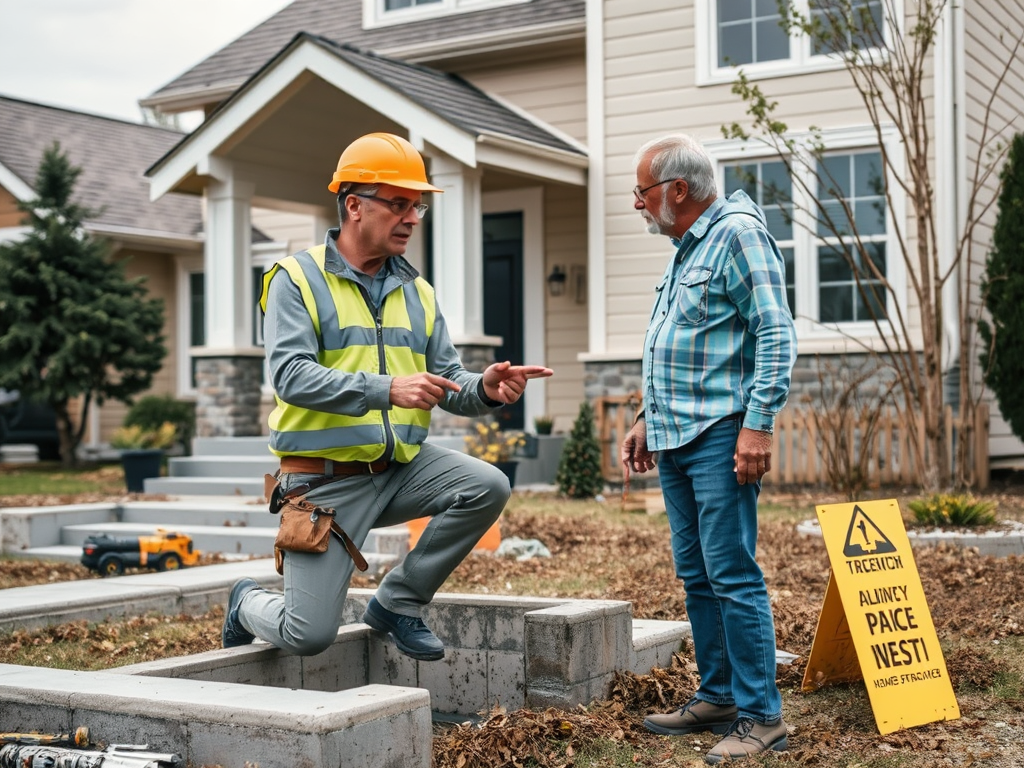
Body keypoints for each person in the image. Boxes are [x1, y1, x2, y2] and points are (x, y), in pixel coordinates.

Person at [222, 132, 552, 662]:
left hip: (399, 469)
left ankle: (397, 602)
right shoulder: (296, 279)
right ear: (354, 205)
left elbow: (447, 380)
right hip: (324, 483)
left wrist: (484, 389)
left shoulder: (418, 292)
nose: (413, 217)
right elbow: (290, 376)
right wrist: (387, 389)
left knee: (486, 485)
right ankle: (246, 603)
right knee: (308, 635)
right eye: (399, 203)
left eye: (417, 205)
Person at [620, 134, 796, 764]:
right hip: (676, 435)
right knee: (697, 575)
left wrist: (759, 425)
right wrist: (646, 417)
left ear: (677, 190)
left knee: (732, 574)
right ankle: (719, 695)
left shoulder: (737, 234)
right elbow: (684, 346)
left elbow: (775, 329)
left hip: (722, 435)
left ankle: (760, 715)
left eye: (642, 192)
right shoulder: (686, 246)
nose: (637, 204)